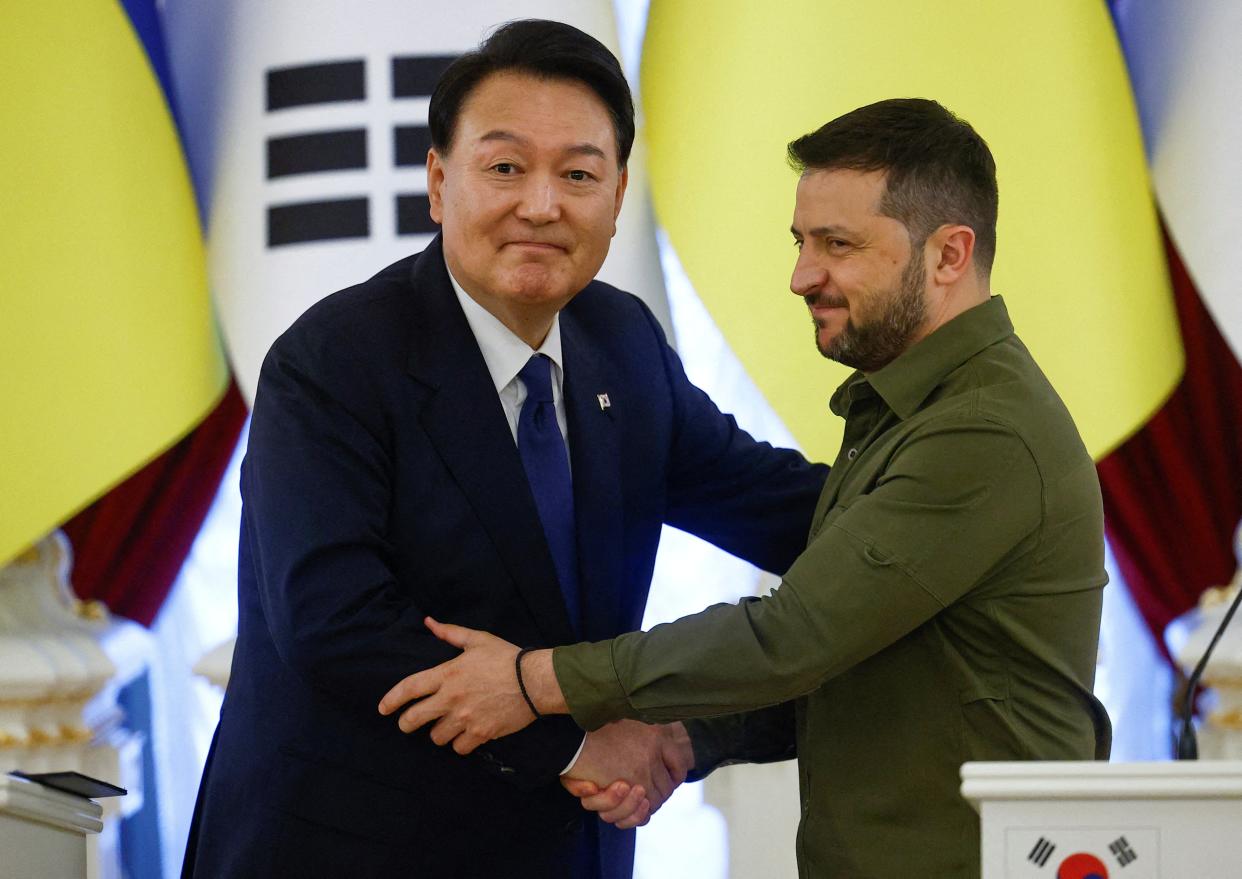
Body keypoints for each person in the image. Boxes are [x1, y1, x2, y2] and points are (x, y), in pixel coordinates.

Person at [378, 98, 1113, 878]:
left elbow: (792, 638)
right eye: (801, 242)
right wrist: (690, 737)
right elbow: (872, 661)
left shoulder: (982, 431)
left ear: (949, 255)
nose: (802, 277)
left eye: (838, 244)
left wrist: (535, 680)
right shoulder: (908, 410)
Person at [181, 18, 826, 879]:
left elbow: (781, 508)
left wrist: (965, 500)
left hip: (562, 853)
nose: (542, 204)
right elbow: (333, 620)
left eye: (578, 173)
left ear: (619, 192)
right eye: (505, 167)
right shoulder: (334, 360)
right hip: (352, 849)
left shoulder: (622, 344)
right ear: (440, 183)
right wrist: (576, 738)